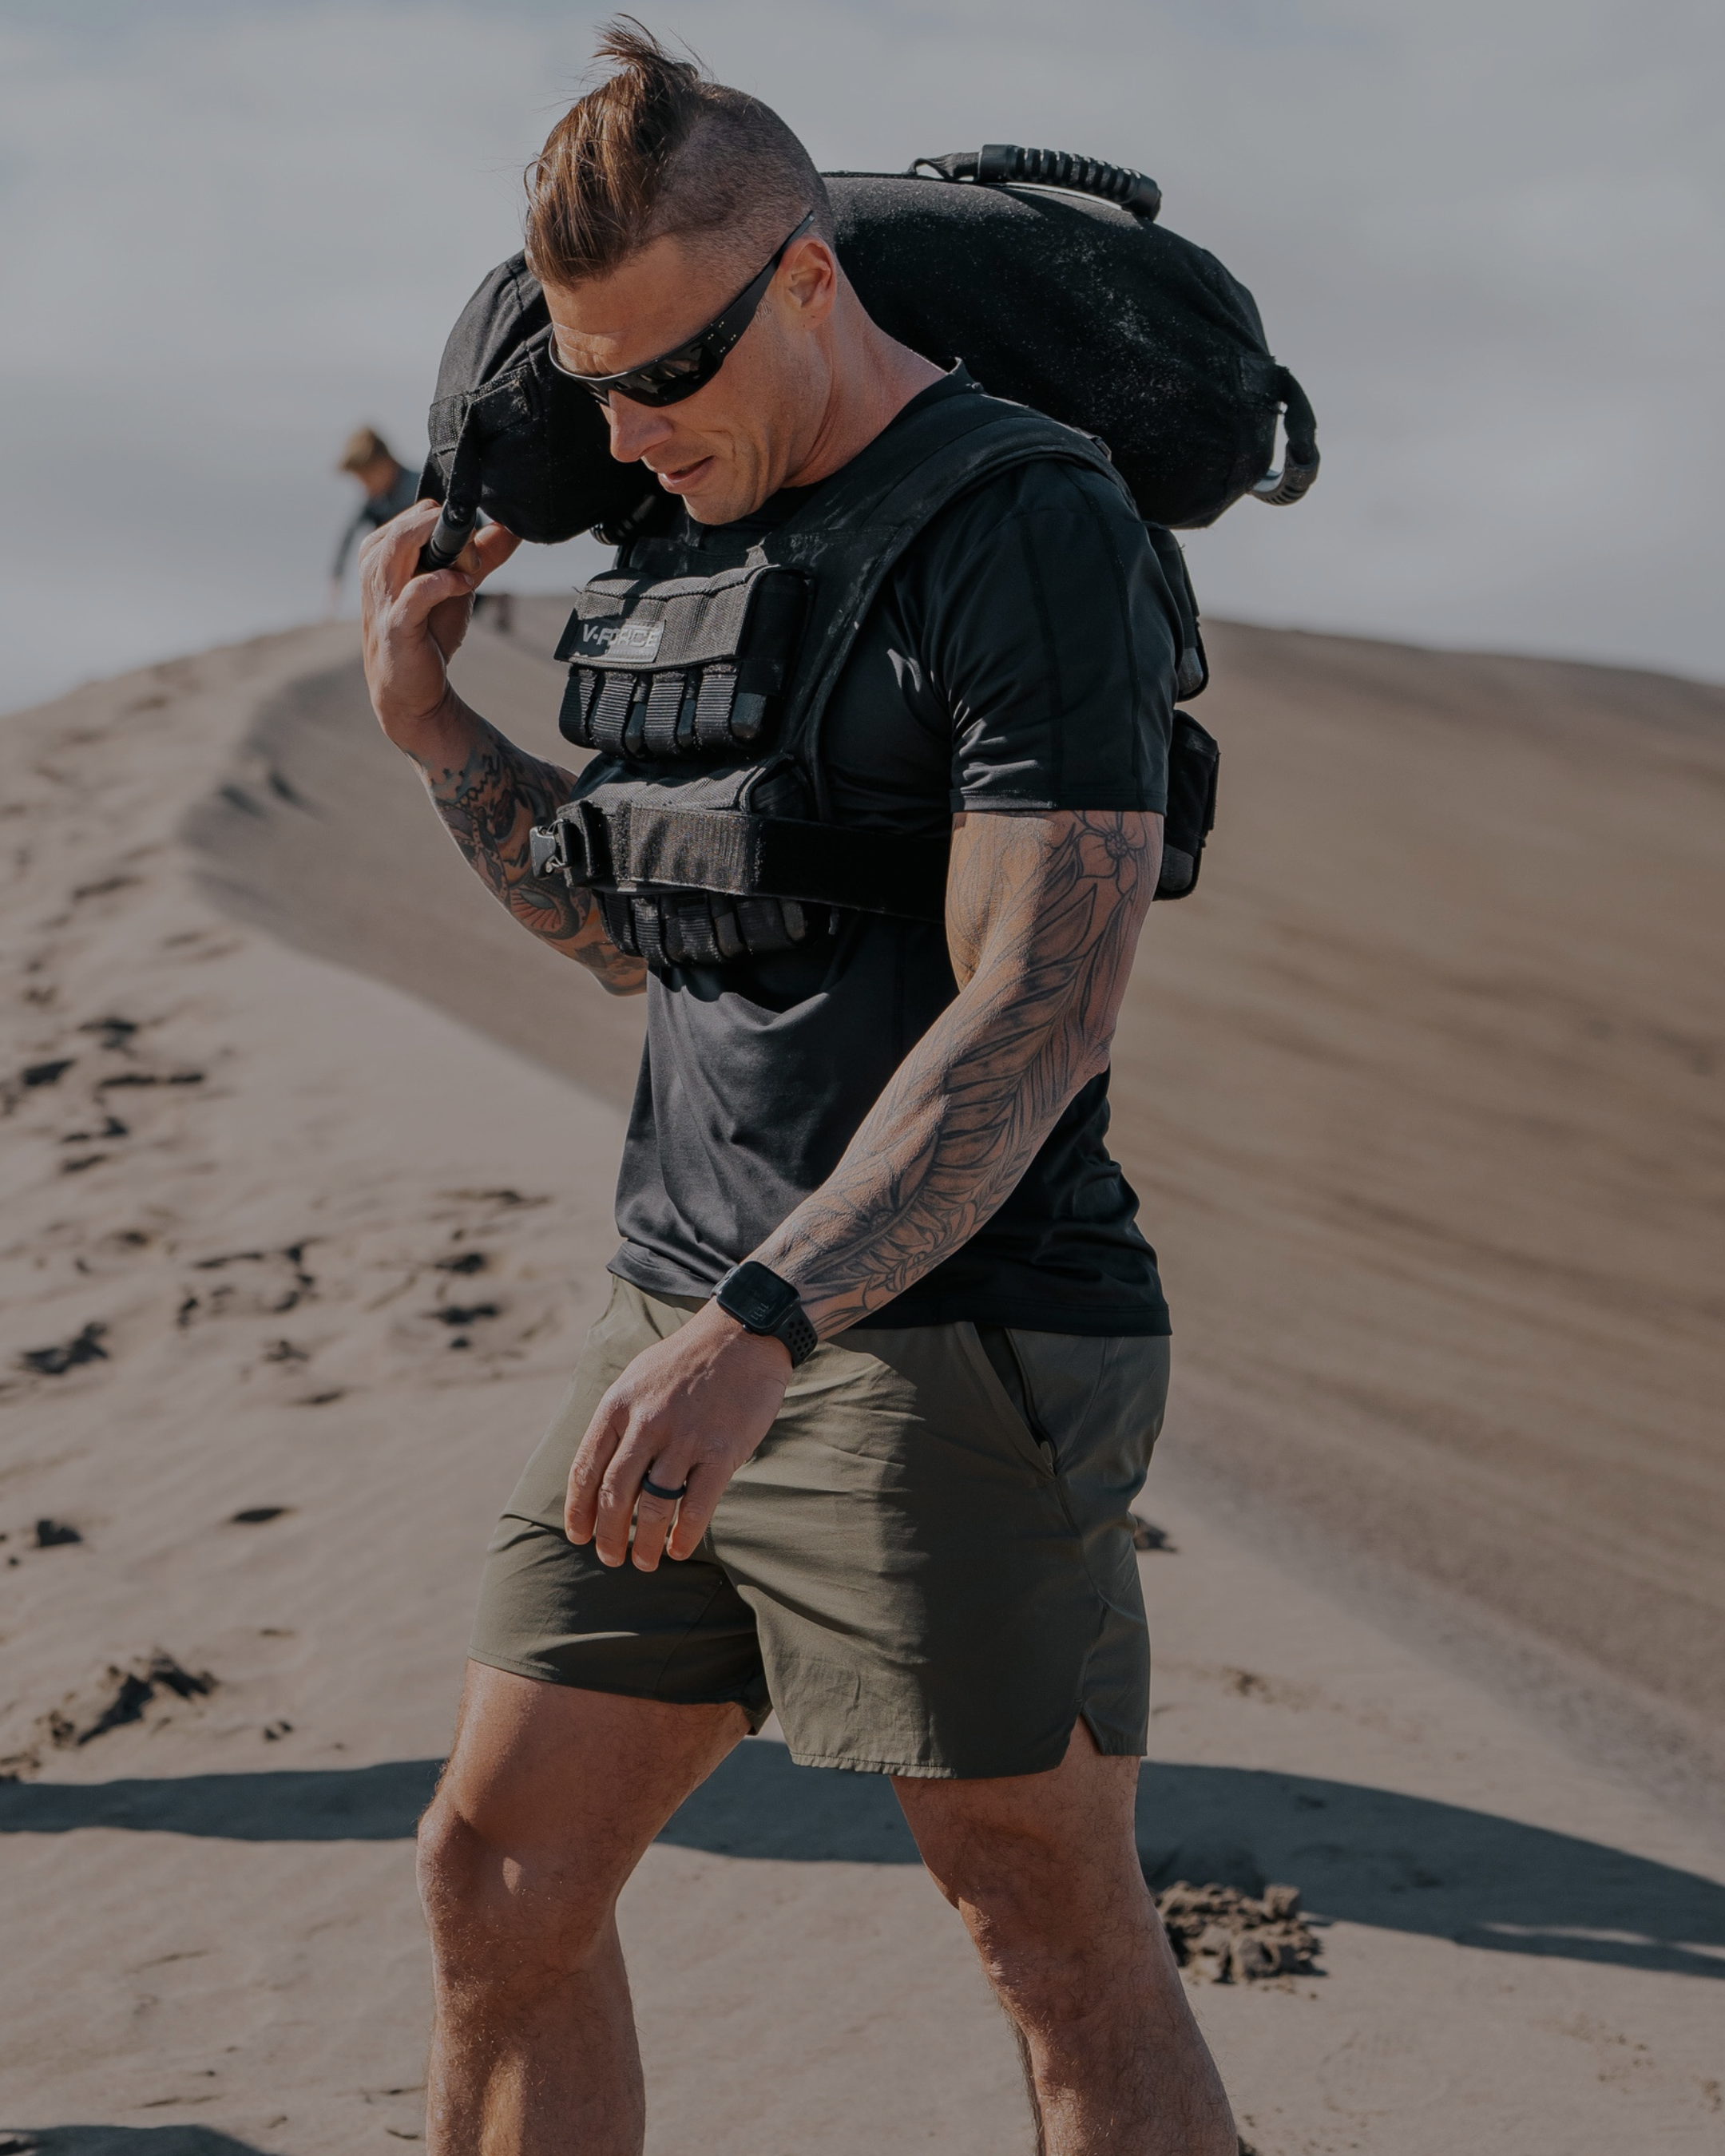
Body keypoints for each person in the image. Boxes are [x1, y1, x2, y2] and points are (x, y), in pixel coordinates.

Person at [359, 22, 1238, 2156]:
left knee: (1044, 1931)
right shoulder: (683, 518)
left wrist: (767, 1320)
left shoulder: (1022, 520)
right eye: (593, 384)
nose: (627, 429)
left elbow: (1042, 1003)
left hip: (945, 1334)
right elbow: (644, 932)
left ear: (814, 278)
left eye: (670, 371)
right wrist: (437, 733)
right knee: (497, 1873)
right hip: (673, 1317)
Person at [330, 425, 418, 611]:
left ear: (386, 464)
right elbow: (348, 536)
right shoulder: (376, 502)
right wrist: (336, 578)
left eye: (367, 478)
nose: (365, 487)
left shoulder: (419, 488)